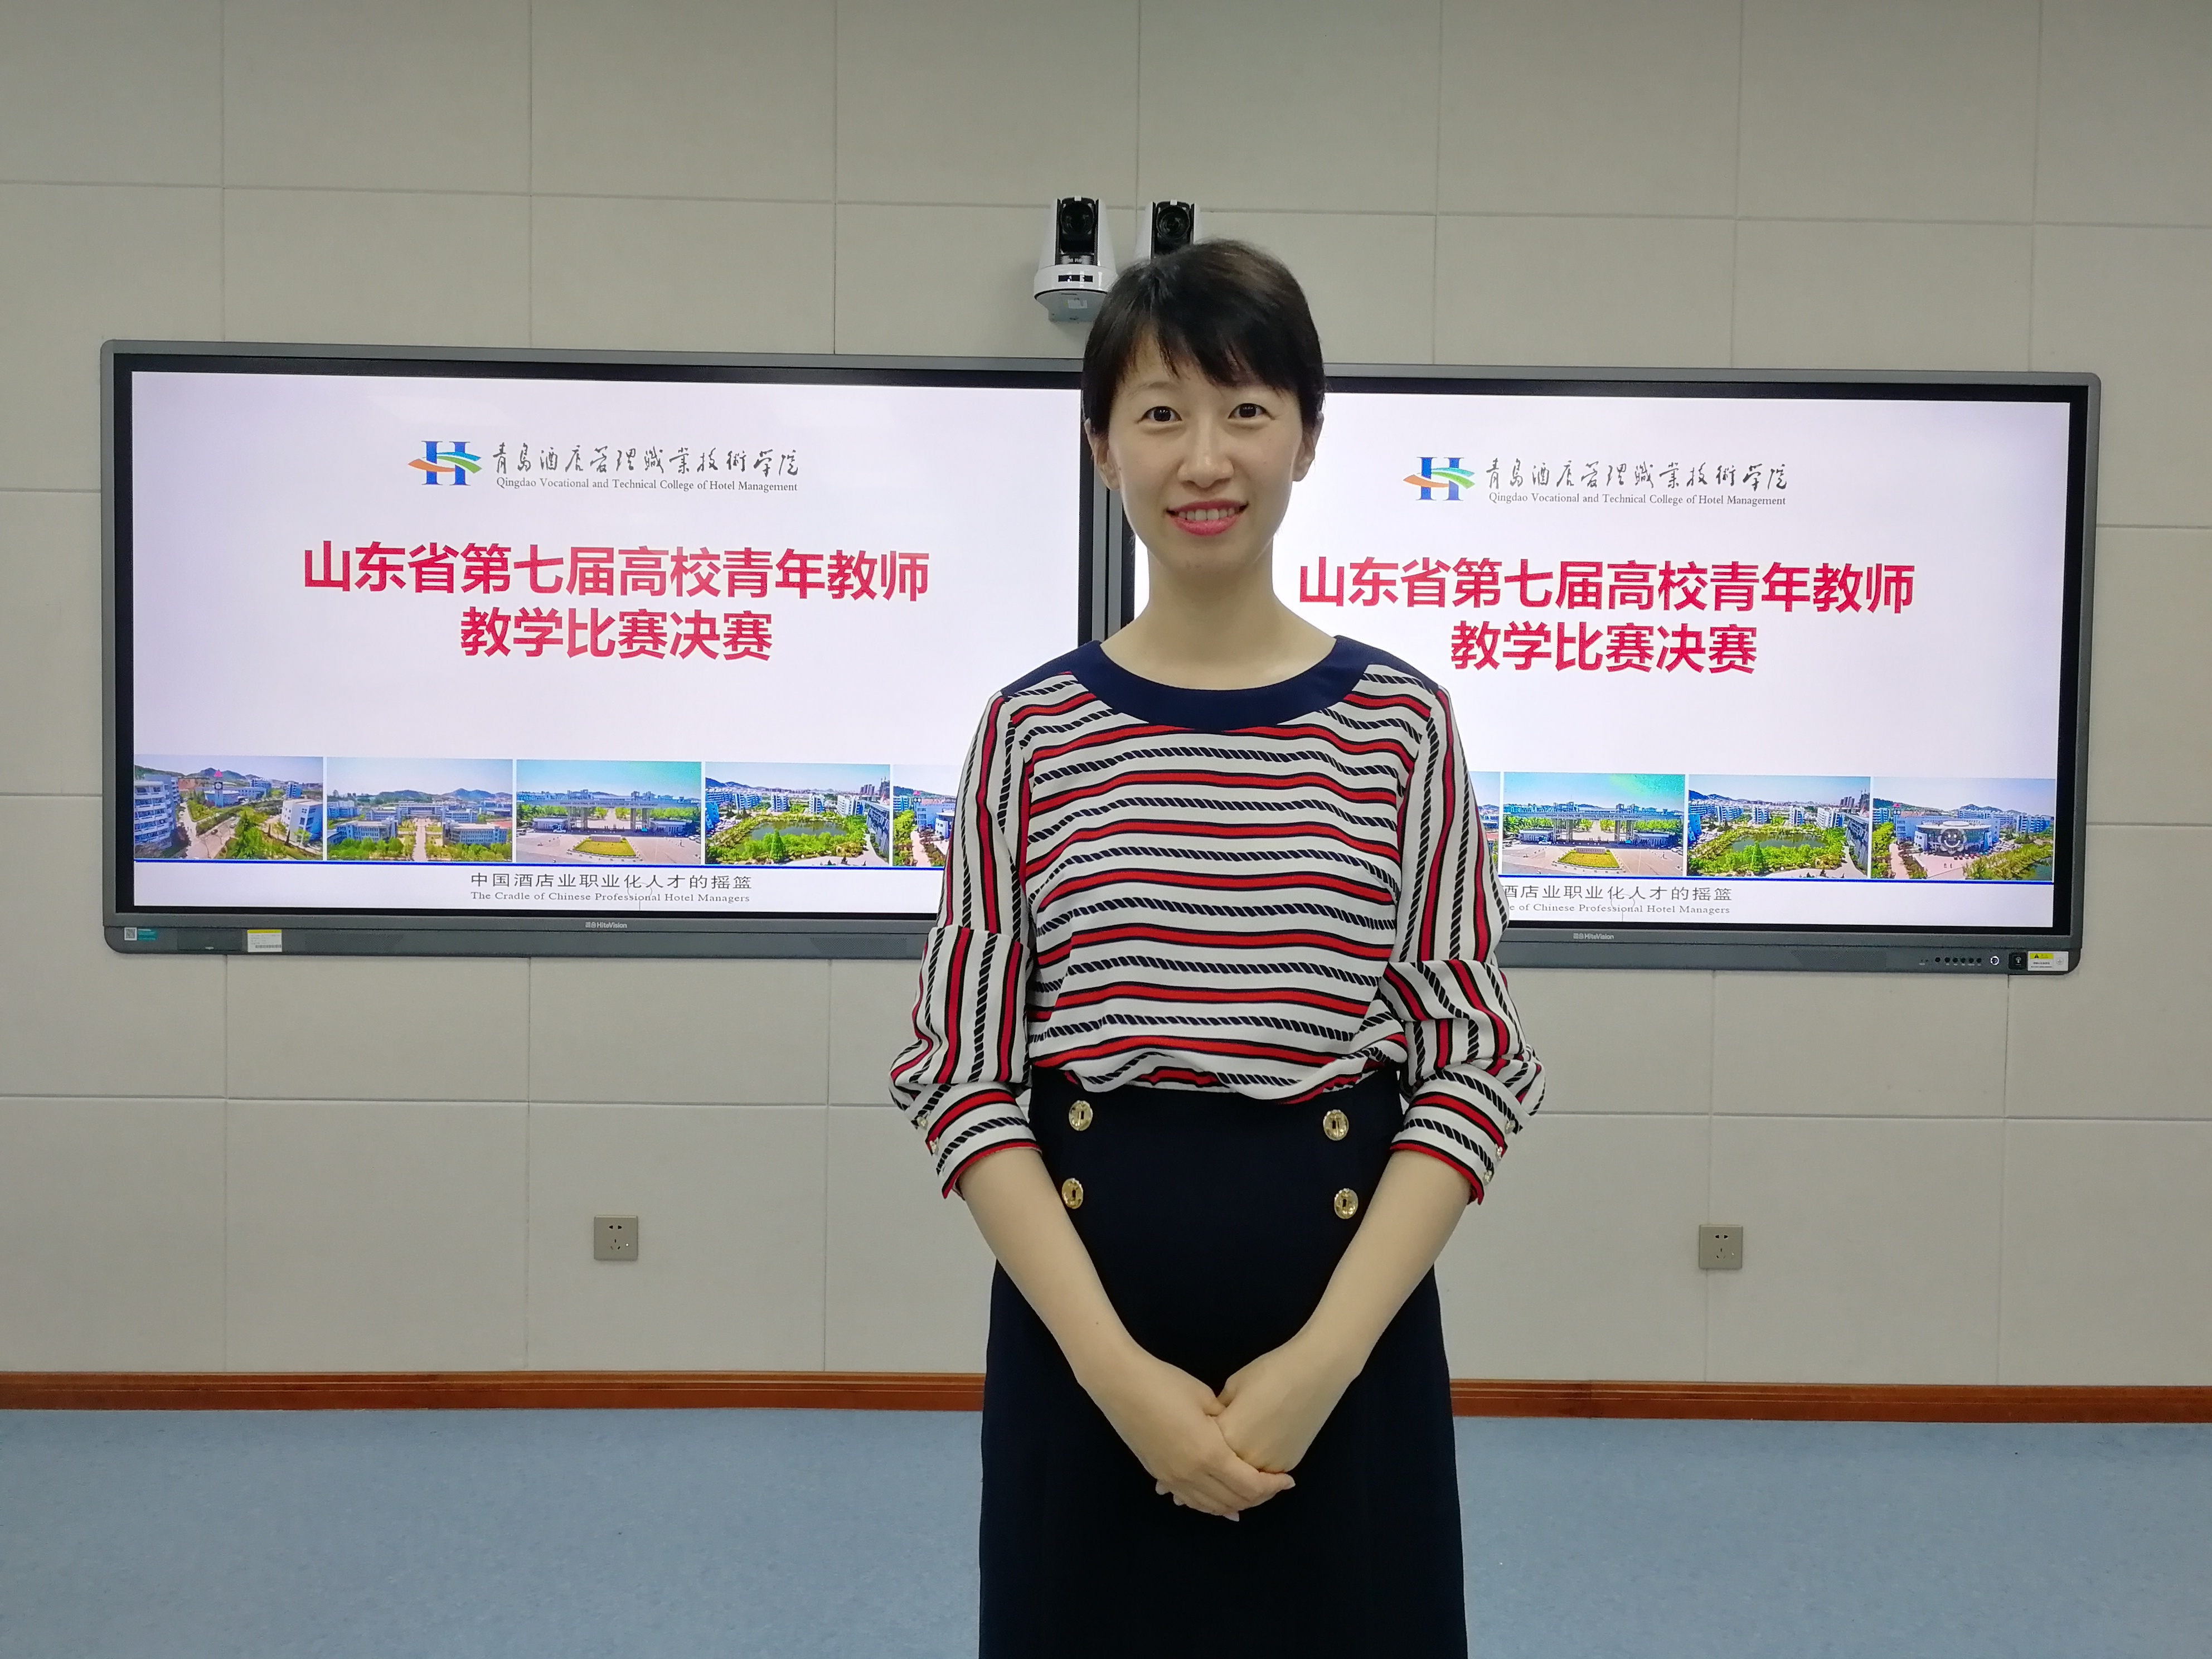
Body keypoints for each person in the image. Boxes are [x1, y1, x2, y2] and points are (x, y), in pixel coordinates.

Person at [888, 240, 1545, 1657]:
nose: (1205, 458)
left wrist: (1324, 1361)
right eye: (1160, 413)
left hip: (1339, 1321)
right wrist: (1113, 1374)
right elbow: (960, 1073)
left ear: (1306, 437)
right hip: (1087, 1323)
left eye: (1247, 409)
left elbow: (1473, 1064)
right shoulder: (1030, 732)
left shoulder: (1399, 725)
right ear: (1099, 447)